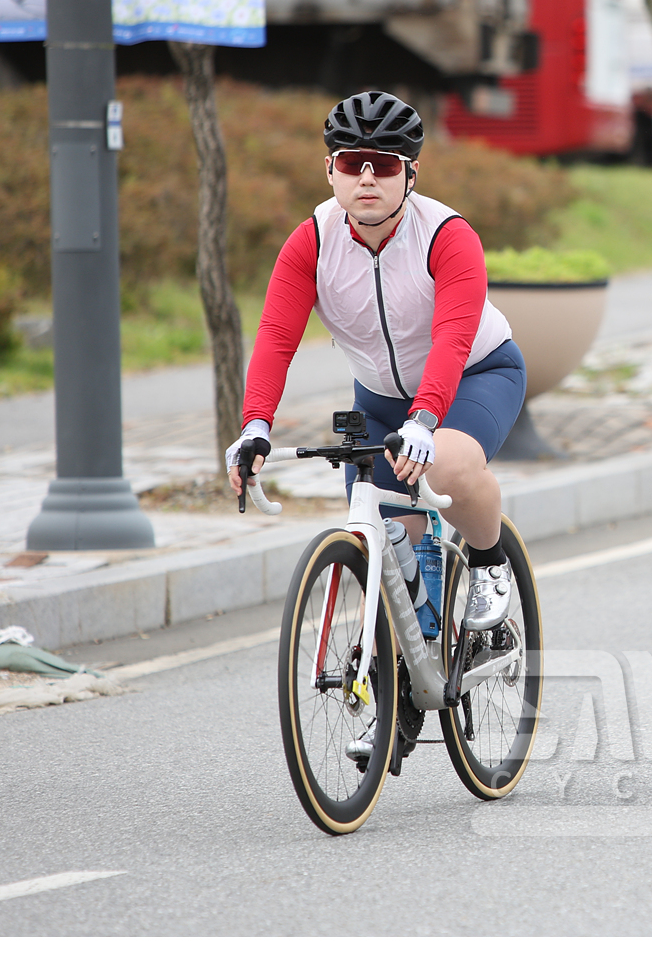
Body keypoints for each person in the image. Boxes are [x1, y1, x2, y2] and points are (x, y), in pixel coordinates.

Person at [226, 91, 528, 695]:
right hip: (380, 401)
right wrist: (255, 426)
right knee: (382, 550)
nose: (367, 177)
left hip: (475, 376)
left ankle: (490, 563)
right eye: (351, 162)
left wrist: (426, 418)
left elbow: (452, 337)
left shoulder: (447, 235)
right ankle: (401, 689)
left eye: (385, 165)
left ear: (410, 174)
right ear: (330, 170)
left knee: (447, 467)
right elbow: (276, 337)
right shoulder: (311, 242)